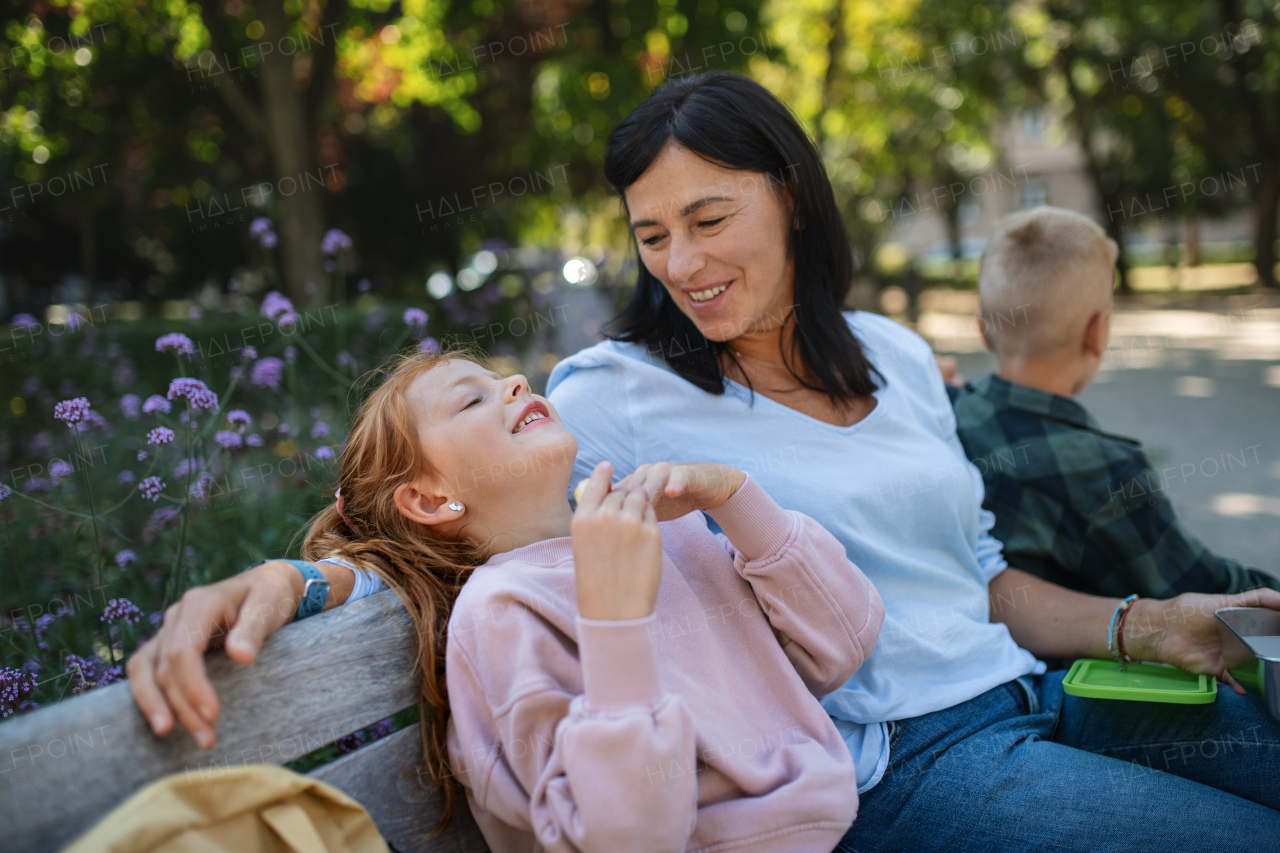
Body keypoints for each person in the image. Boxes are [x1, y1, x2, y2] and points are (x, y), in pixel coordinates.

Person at [135, 71, 1280, 852]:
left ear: (788, 198)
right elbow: (466, 525)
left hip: (1036, 695)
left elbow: (971, 576)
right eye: (650, 233)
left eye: (710, 218)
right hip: (902, 767)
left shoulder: (890, 353)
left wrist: (1136, 620)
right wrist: (294, 580)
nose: (681, 262)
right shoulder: (618, 392)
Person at [127, 349, 885, 853]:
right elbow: (623, 838)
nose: (516, 382)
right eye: (472, 399)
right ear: (430, 498)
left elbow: (841, 646)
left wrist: (738, 497)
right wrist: (614, 620)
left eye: (503, 377)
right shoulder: (502, 611)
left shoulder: (662, 528)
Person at [946, 205, 1279, 599]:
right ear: (1097, 332)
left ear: (983, 331)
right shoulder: (1108, 474)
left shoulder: (943, 415)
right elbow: (1211, 593)